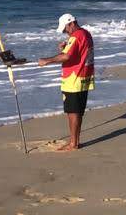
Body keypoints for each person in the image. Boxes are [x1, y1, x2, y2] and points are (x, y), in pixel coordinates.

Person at [37, 13, 95, 151]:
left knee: (72, 112)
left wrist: (47, 60)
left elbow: (67, 56)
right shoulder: (86, 34)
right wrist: (66, 47)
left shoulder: (76, 37)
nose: (64, 32)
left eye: (65, 29)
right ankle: (75, 140)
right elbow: (77, 53)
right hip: (84, 77)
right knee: (78, 111)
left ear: (71, 23)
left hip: (73, 79)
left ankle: (73, 143)